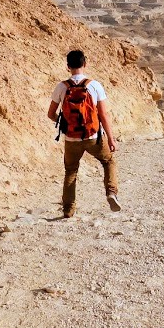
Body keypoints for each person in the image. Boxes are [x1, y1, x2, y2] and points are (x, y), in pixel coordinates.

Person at [47, 49, 120, 218]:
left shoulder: (61, 87)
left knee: (71, 171)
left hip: (71, 138)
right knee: (108, 161)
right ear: (85, 64)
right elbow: (103, 115)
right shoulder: (94, 85)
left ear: (68, 67)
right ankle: (111, 192)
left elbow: (50, 114)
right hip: (93, 136)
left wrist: (64, 122)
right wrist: (111, 138)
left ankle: (68, 210)